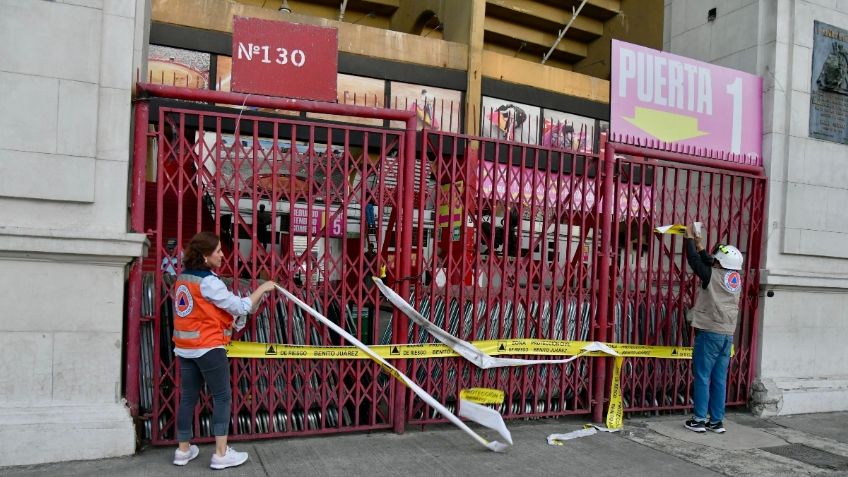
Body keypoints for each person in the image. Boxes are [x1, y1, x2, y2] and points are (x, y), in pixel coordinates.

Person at [171, 232, 277, 468]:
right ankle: (220, 454)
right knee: (222, 397)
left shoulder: (183, 279)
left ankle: (183, 450)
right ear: (205, 256)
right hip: (208, 347)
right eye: (218, 251)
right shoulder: (208, 282)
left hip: (185, 348)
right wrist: (263, 288)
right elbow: (240, 306)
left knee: (188, 397)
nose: (222, 254)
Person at [682, 224, 744, 434]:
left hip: (709, 333)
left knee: (701, 376)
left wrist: (689, 239)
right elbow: (710, 262)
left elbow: (696, 263)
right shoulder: (734, 279)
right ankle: (716, 421)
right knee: (719, 379)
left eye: (717, 258)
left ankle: (699, 419)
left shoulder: (712, 276)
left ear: (720, 262)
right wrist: (701, 246)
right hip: (727, 334)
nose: (714, 259)